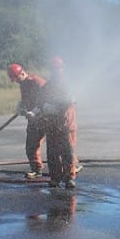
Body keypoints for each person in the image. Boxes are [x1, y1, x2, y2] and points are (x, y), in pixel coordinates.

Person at [40, 56, 79, 188]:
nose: (57, 71)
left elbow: (72, 99)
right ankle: (55, 177)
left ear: (62, 69)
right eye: (54, 69)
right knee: (52, 153)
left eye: (58, 68)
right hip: (51, 124)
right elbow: (41, 101)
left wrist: (56, 107)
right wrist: (36, 110)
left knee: (67, 152)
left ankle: (69, 178)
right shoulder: (48, 85)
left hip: (64, 124)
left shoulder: (68, 83)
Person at [7, 63, 48, 180]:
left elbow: (47, 98)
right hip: (34, 120)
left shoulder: (36, 82)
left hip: (46, 118)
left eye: (16, 78)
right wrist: (21, 107)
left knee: (57, 145)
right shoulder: (23, 84)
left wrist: (36, 111)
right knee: (31, 145)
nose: (16, 81)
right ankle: (36, 170)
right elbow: (25, 100)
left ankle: (68, 167)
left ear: (22, 73)